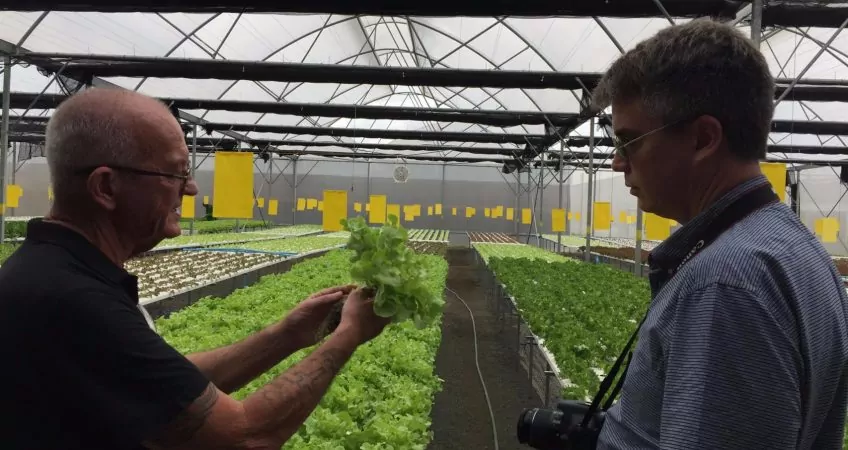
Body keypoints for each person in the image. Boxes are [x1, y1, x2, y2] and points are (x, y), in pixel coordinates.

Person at [0, 87, 391, 450]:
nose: (191, 190)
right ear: (105, 187)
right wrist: (348, 335)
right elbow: (244, 436)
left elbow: (168, 388)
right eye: (175, 173)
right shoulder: (71, 299)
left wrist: (287, 334)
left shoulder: (59, 273)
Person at [591, 19, 848, 449]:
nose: (619, 163)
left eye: (630, 142)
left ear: (703, 138)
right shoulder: (792, 245)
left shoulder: (726, 282)